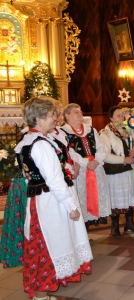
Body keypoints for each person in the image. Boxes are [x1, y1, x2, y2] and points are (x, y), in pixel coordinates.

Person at [15, 97, 92, 300]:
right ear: (39, 119)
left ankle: (43, 295)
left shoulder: (29, 140)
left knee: (44, 247)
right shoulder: (41, 145)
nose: (54, 120)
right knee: (48, 249)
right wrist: (71, 207)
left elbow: (30, 176)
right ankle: (41, 296)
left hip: (40, 202)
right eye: (51, 116)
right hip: (50, 204)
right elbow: (55, 180)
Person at [61, 103, 111, 232]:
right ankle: (81, 234)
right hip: (80, 172)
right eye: (76, 112)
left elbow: (102, 147)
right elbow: (69, 151)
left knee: (93, 199)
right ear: (67, 115)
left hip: (95, 169)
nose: (80, 115)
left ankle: (88, 230)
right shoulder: (63, 132)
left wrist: (97, 160)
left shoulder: (91, 130)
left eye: (80, 112)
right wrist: (85, 162)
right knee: (81, 200)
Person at [99, 106, 134, 237]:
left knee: (130, 196)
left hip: (130, 171)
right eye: (117, 115)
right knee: (116, 199)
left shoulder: (129, 130)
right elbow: (105, 155)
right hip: (115, 173)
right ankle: (114, 227)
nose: (121, 118)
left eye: (122, 115)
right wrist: (124, 159)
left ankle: (130, 224)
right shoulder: (105, 133)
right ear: (111, 118)